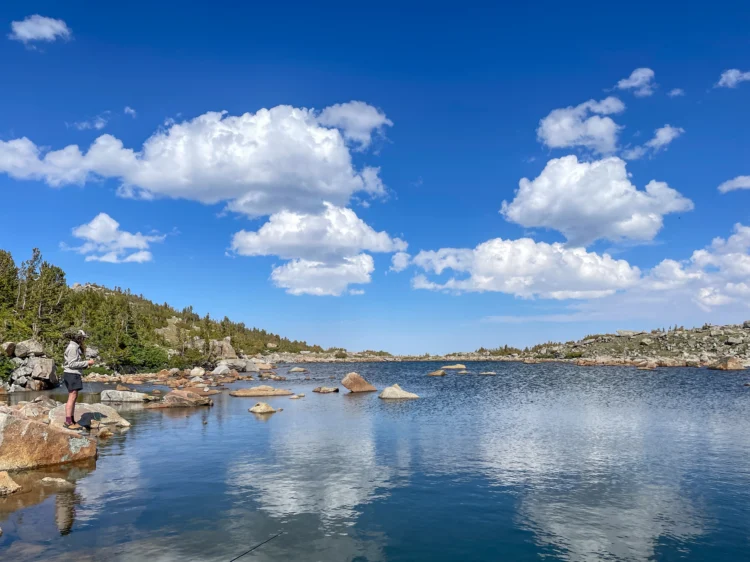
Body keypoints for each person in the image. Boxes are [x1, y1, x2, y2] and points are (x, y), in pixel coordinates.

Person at [62, 330, 94, 430]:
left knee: (74, 396)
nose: (84, 339)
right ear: (78, 338)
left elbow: (74, 363)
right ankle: (68, 421)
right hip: (71, 375)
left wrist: (84, 366)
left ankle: (71, 419)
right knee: (72, 397)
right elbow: (71, 364)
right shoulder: (72, 347)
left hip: (73, 374)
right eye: (83, 338)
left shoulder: (75, 346)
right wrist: (87, 363)